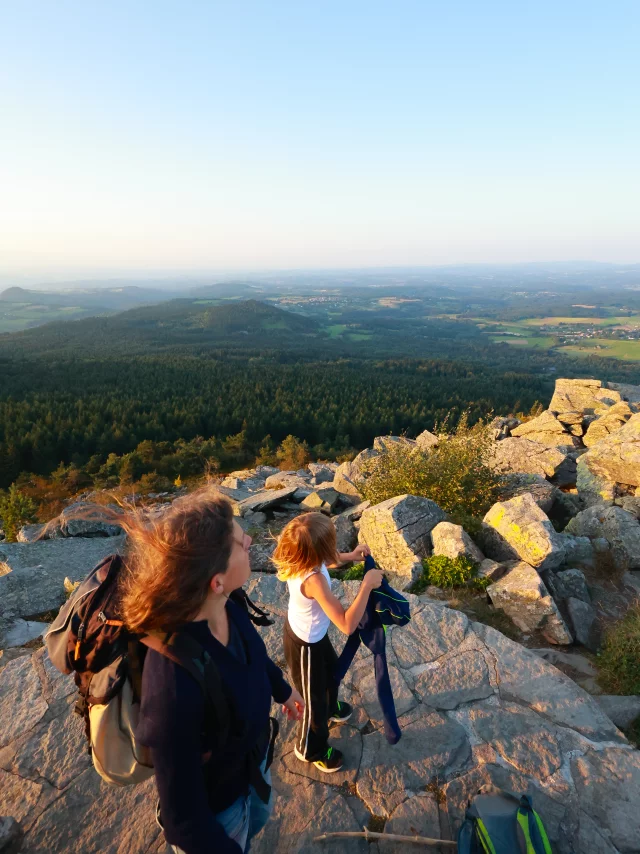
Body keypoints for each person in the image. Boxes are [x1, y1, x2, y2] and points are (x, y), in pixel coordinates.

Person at [118, 488, 304, 854]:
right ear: (215, 581)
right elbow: (184, 820)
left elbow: (250, 656)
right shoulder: (173, 687)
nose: (249, 539)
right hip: (221, 807)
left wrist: (281, 688)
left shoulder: (228, 605)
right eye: (238, 542)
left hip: (250, 769)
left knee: (259, 821)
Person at [272, 512, 383, 773]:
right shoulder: (314, 582)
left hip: (311, 636)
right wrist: (365, 587)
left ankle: (331, 707)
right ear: (319, 551)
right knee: (314, 703)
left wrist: (350, 556)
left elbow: (325, 561)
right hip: (305, 648)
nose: (334, 551)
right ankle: (310, 748)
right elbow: (346, 625)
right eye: (330, 546)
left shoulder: (300, 558)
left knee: (332, 675)